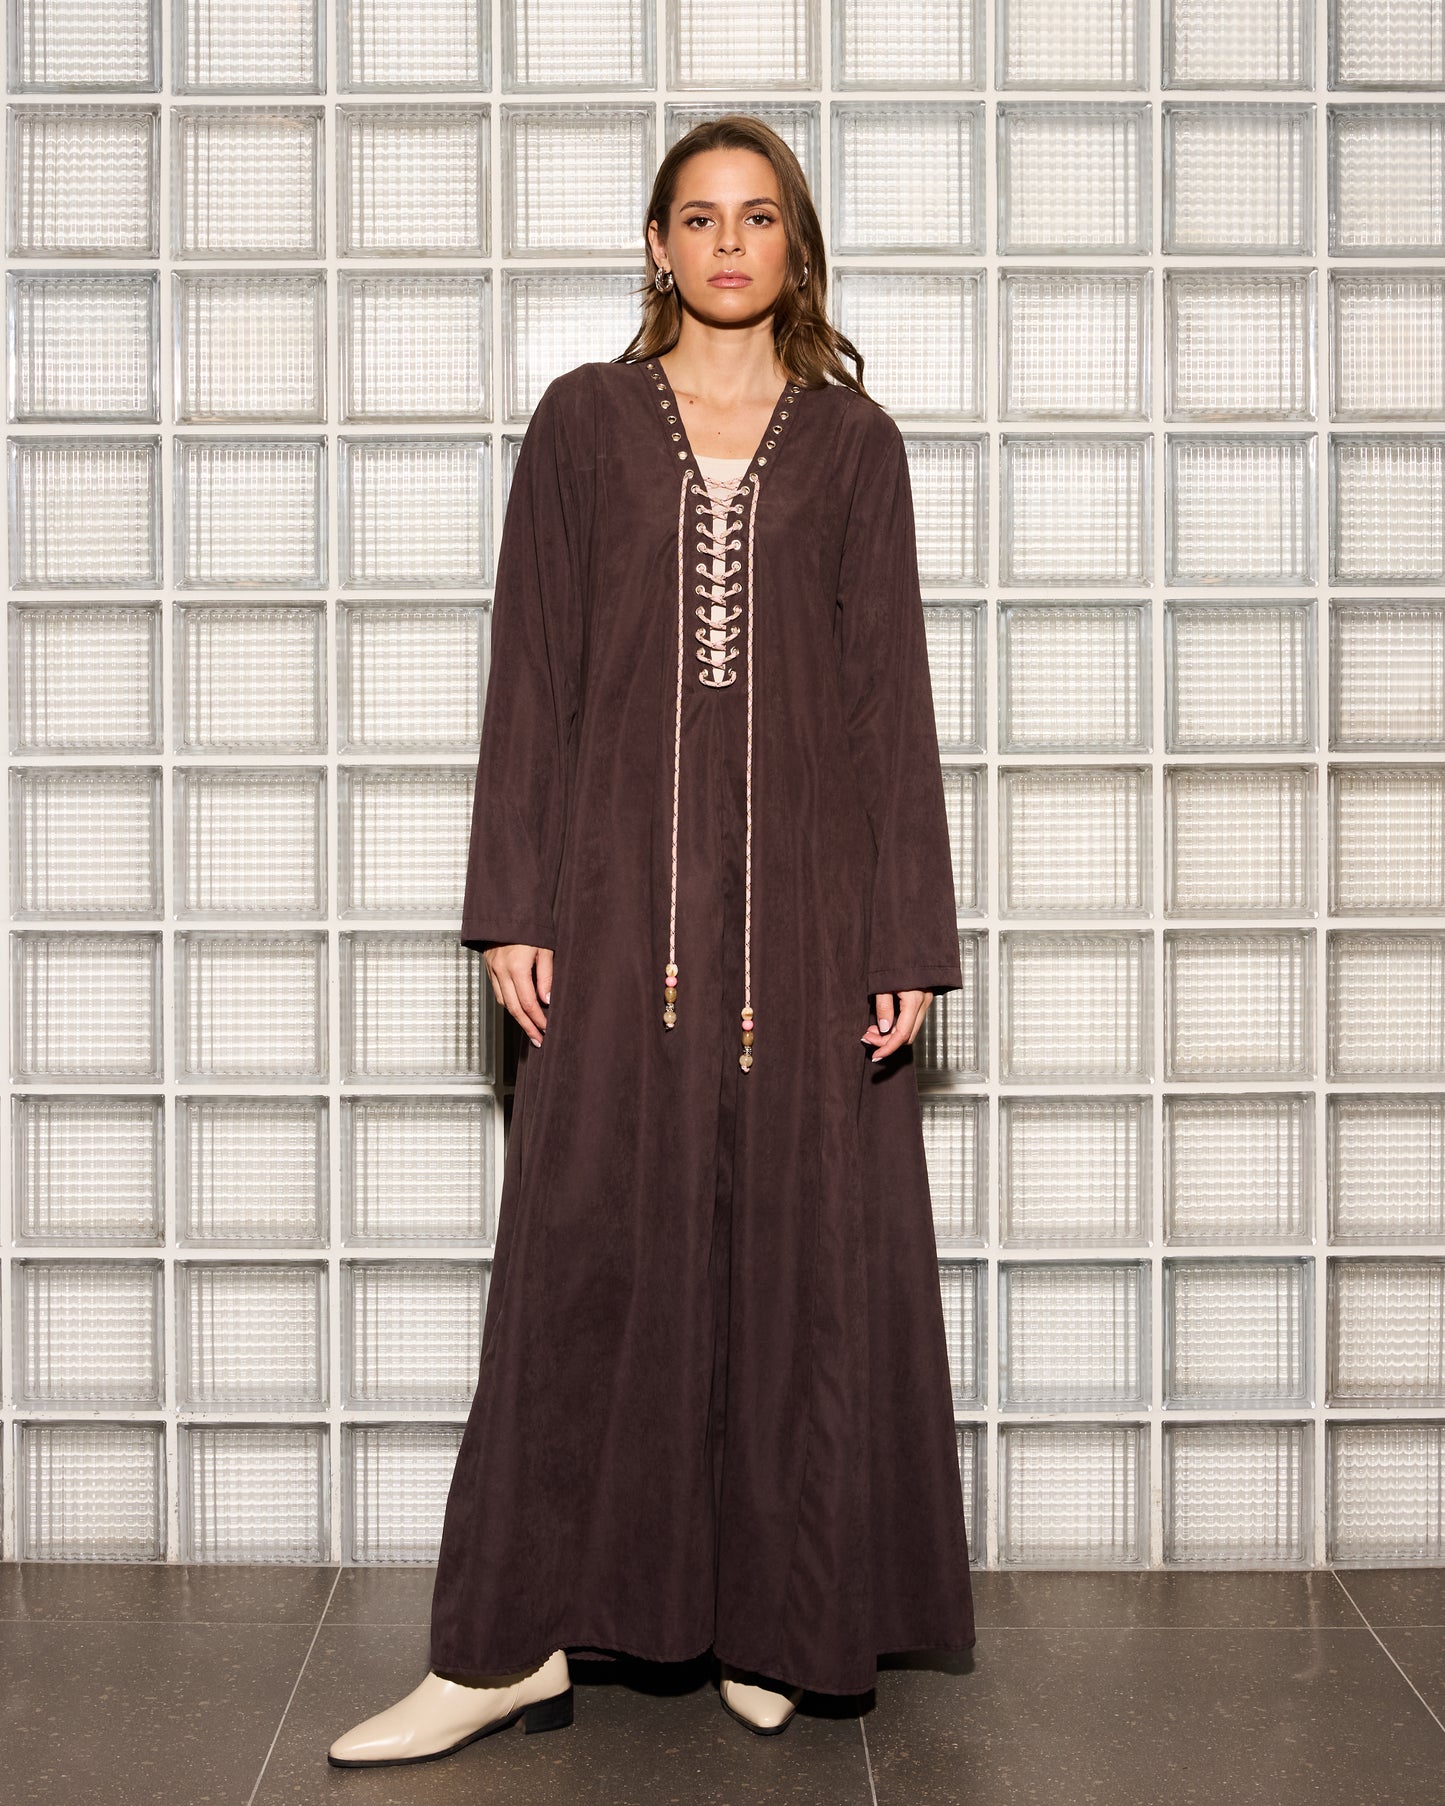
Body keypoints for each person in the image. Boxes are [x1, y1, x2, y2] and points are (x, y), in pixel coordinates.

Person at [329, 112, 974, 1770]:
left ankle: (780, 1615)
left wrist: (905, 931)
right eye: (699, 217)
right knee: (579, 1255)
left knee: (794, 1261)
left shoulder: (855, 446)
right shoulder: (583, 424)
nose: (728, 244)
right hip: (614, 914)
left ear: (793, 246)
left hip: (807, 922)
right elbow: (530, 670)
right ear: (657, 244)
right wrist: (511, 901)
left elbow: (886, 700)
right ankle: (505, 1643)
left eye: (757, 218)